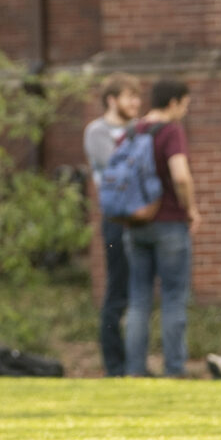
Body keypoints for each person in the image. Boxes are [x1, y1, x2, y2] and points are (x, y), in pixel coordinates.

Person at [122, 80, 197, 377]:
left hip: (135, 223)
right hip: (169, 224)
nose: (185, 111)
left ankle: (135, 370)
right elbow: (180, 176)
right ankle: (174, 369)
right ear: (174, 103)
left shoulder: (131, 131)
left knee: (138, 299)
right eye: (185, 105)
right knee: (173, 297)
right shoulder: (170, 131)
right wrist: (190, 209)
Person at [82, 74, 145, 378]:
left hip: (143, 219)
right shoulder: (97, 132)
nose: (136, 103)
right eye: (129, 96)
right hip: (116, 221)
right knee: (117, 293)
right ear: (112, 99)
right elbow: (119, 172)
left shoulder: (138, 129)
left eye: (137, 97)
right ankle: (115, 366)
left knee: (140, 294)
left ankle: (137, 365)